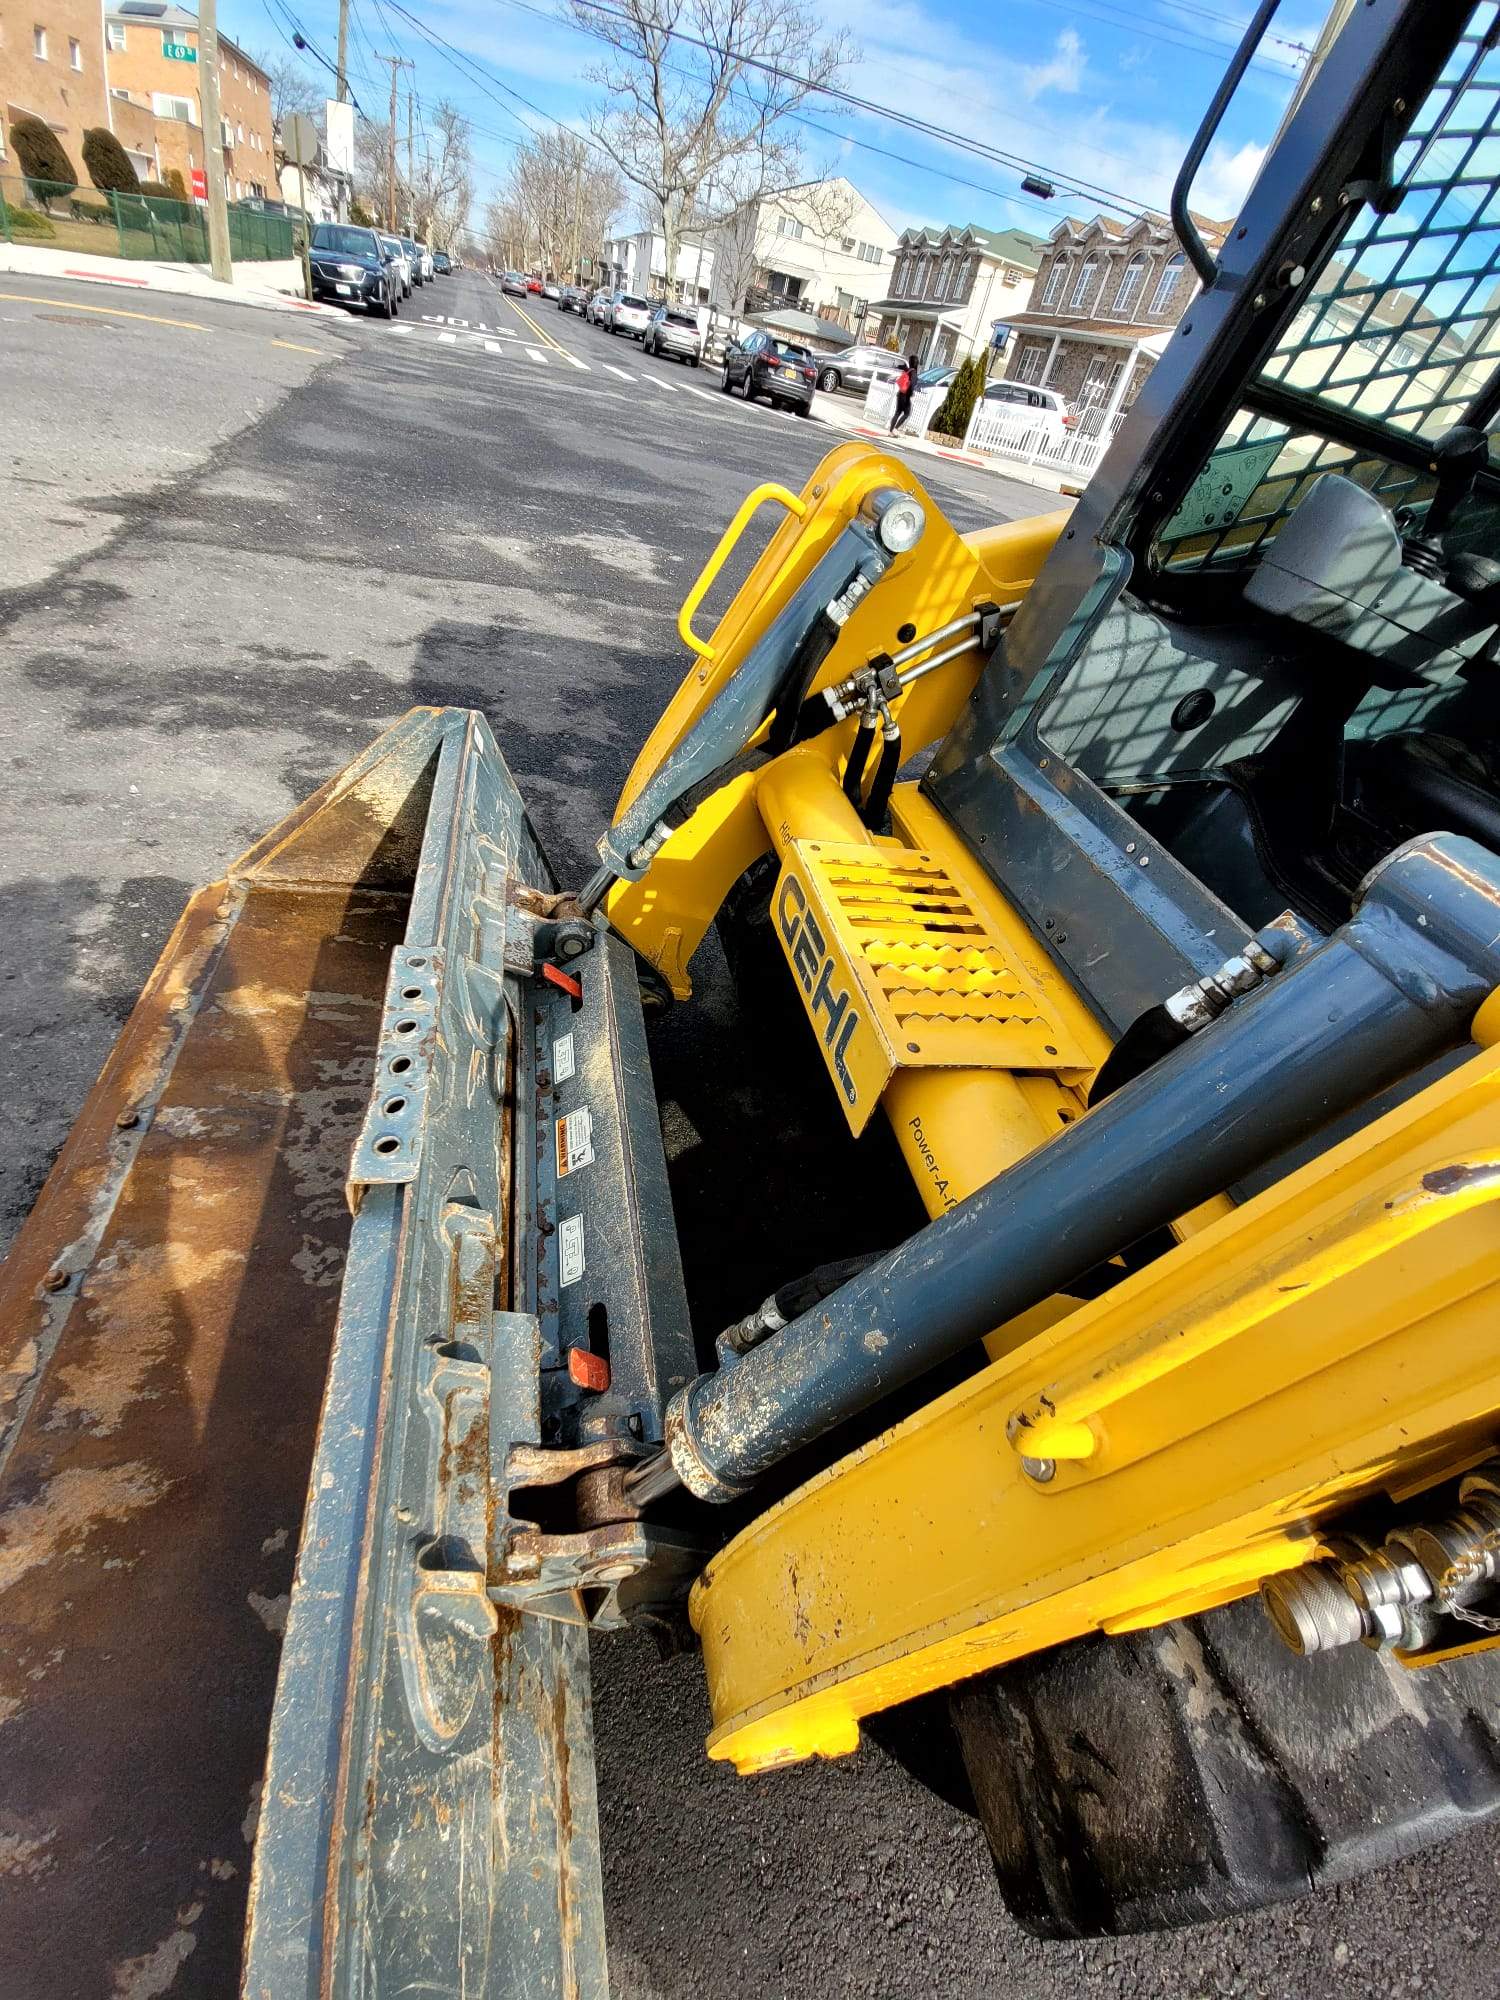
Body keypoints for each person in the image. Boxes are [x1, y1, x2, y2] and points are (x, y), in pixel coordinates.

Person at [890, 353, 919, 435]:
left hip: (900, 394)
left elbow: (902, 367)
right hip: (906, 396)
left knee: (898, 412)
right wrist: (911, 393)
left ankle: (891, 430)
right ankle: (895, 429)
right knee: (907, 413)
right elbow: (912, 385)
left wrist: (898, 366)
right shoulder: (913, 373)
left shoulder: (908, 370)